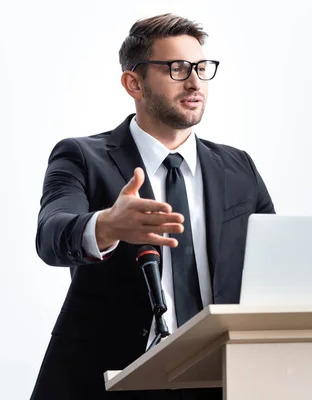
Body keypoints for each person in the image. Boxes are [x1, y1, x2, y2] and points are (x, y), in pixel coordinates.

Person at [29, 13, 275, 400]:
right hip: (112, 377)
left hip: (223, 379)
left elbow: (273, 265)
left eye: (201, 67)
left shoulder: (238, 167)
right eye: (177, 68)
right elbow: (51, 234)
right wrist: (106, 225)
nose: (195, 81)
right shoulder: (81, 157)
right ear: (134, 83)